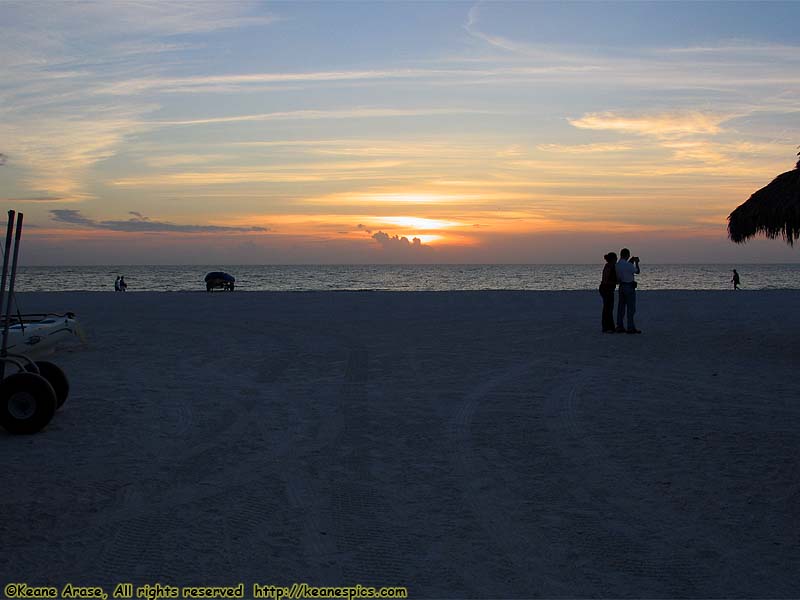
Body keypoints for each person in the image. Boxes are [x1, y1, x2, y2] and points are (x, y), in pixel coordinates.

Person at [615, 248, 641, 334]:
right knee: (631, 308)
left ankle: (620, 326)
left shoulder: (617, 265)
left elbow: (625, 269)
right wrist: (636, 263)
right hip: (629, 286)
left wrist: (630, 262)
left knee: (621, 308)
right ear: (627, 255)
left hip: (621, 286)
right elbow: (637, 271)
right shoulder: (629, 265)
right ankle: (630, 327)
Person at [599, 252, 617, 333]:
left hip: (607, 289)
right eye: (616, 258)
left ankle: (609, 326)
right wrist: (616, 282)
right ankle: (607, 327)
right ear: (613, 259)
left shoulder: (610, 266)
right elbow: (606, 281)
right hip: (606, 289)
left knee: (608, 308)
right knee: (607, 308)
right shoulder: (609, 267)